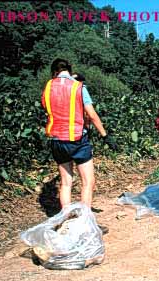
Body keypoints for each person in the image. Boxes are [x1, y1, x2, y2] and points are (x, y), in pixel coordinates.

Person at [41, 58, 117, 209]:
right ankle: (84, 223)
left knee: (66, 183)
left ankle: (66, 220)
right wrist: (105, 135)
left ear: (54, 72)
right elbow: (92, 115)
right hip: (77, 140)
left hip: (56, 140)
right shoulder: (78, 87)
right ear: (70, 70)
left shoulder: (48, 87)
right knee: (88, 181)